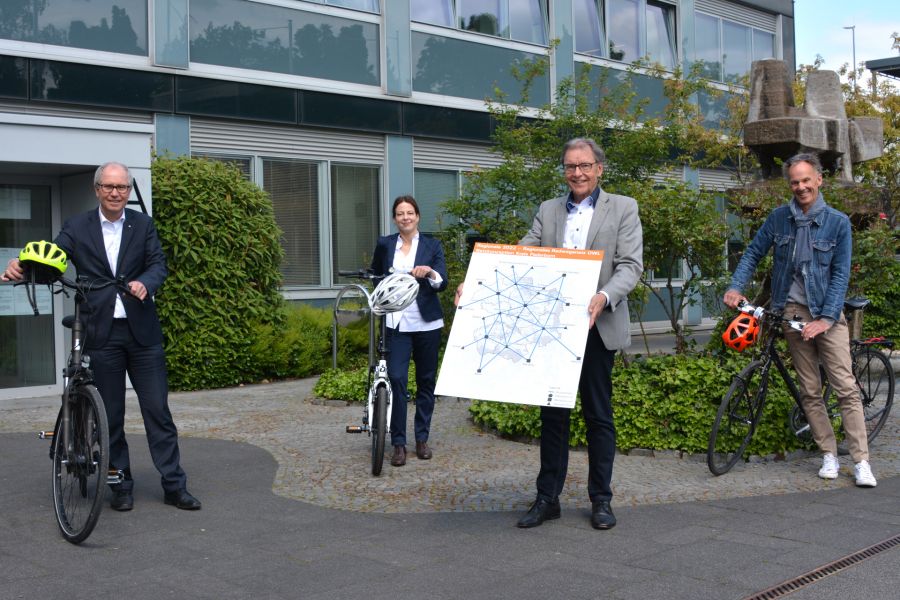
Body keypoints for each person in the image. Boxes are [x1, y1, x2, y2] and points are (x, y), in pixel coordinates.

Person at [457, 138, 643, 529]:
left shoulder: (623, 208)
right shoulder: (548, 210)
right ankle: (547, 498)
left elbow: (630, 266)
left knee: (598, 416)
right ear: (564, 170)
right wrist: (476, 281)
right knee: (552, 416)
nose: (578, 173)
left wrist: (604, 296)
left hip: (597, 325)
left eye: (585, 165)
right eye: (571, 166)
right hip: (552, 329)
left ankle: (601, 500)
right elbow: (521, 255)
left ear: (599, 168)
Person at [2, 162, 202, 510]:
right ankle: (119, 484)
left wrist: (147, 282)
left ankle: (174, 485)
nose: (115, 193)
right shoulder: (78, 226)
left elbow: (158, 264)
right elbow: (54, 258)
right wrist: (23, 265)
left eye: (122, 187)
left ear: (128, 191)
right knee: (110, 416)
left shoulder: (144, 225)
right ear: (97, 189)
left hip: (142, 334)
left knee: (158, 411)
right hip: (101, 331)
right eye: (108, 186)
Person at [724, 153, 877, 487]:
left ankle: (862, 461)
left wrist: (824, 319)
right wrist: (736, 287)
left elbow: (840, 274)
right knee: (809, 389)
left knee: (845, 388)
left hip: (826, 313)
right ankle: (829, 455)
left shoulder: (837, 222)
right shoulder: (779, 219)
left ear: (819, 180)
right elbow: (752, 253)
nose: (801, 187)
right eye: (795, 181)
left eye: (806, 180)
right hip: (791, 312)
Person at [370, 195, 449, 467]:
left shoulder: (431, 244)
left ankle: (422, 439)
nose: (405, 217)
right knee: (397, 379)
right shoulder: (385, 244)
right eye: (400, 213)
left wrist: (429, 273)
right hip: (396, 323)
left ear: (417, 216)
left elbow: (443, 281)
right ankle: (398, 443)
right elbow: (374, 275)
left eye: (410, 213)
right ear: (395, 218)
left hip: (427, 323)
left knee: (427, 382)